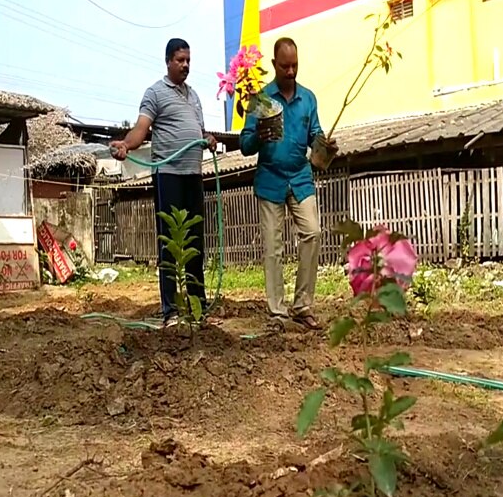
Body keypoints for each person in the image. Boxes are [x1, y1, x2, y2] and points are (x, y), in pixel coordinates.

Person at [111, 38, 217, 328]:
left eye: (188, 61)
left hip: (193, 174)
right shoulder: (155, 93)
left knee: (195, 241)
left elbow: (200, 130)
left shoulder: (193, 96)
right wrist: (126, 146)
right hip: (168, 174)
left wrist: (207, 139)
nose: (185, 66)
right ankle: (171, 310)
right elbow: (141, 129)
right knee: (170, 242)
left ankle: (198, 307)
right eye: (180, 60)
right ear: (168, 61)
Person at [239, 37, 336, 330]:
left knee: (313, 233)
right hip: (270, 180)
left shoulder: (308, 98)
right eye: (285, 66)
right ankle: (277, 312)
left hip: (301, 178)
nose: (291, 71)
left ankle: (303, 305)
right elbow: (244, 144)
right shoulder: (260, 100)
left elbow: (314, 134)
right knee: (272, 247)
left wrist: (325, 146)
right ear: (274, 65)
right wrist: (259, 137)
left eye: (295, 65)